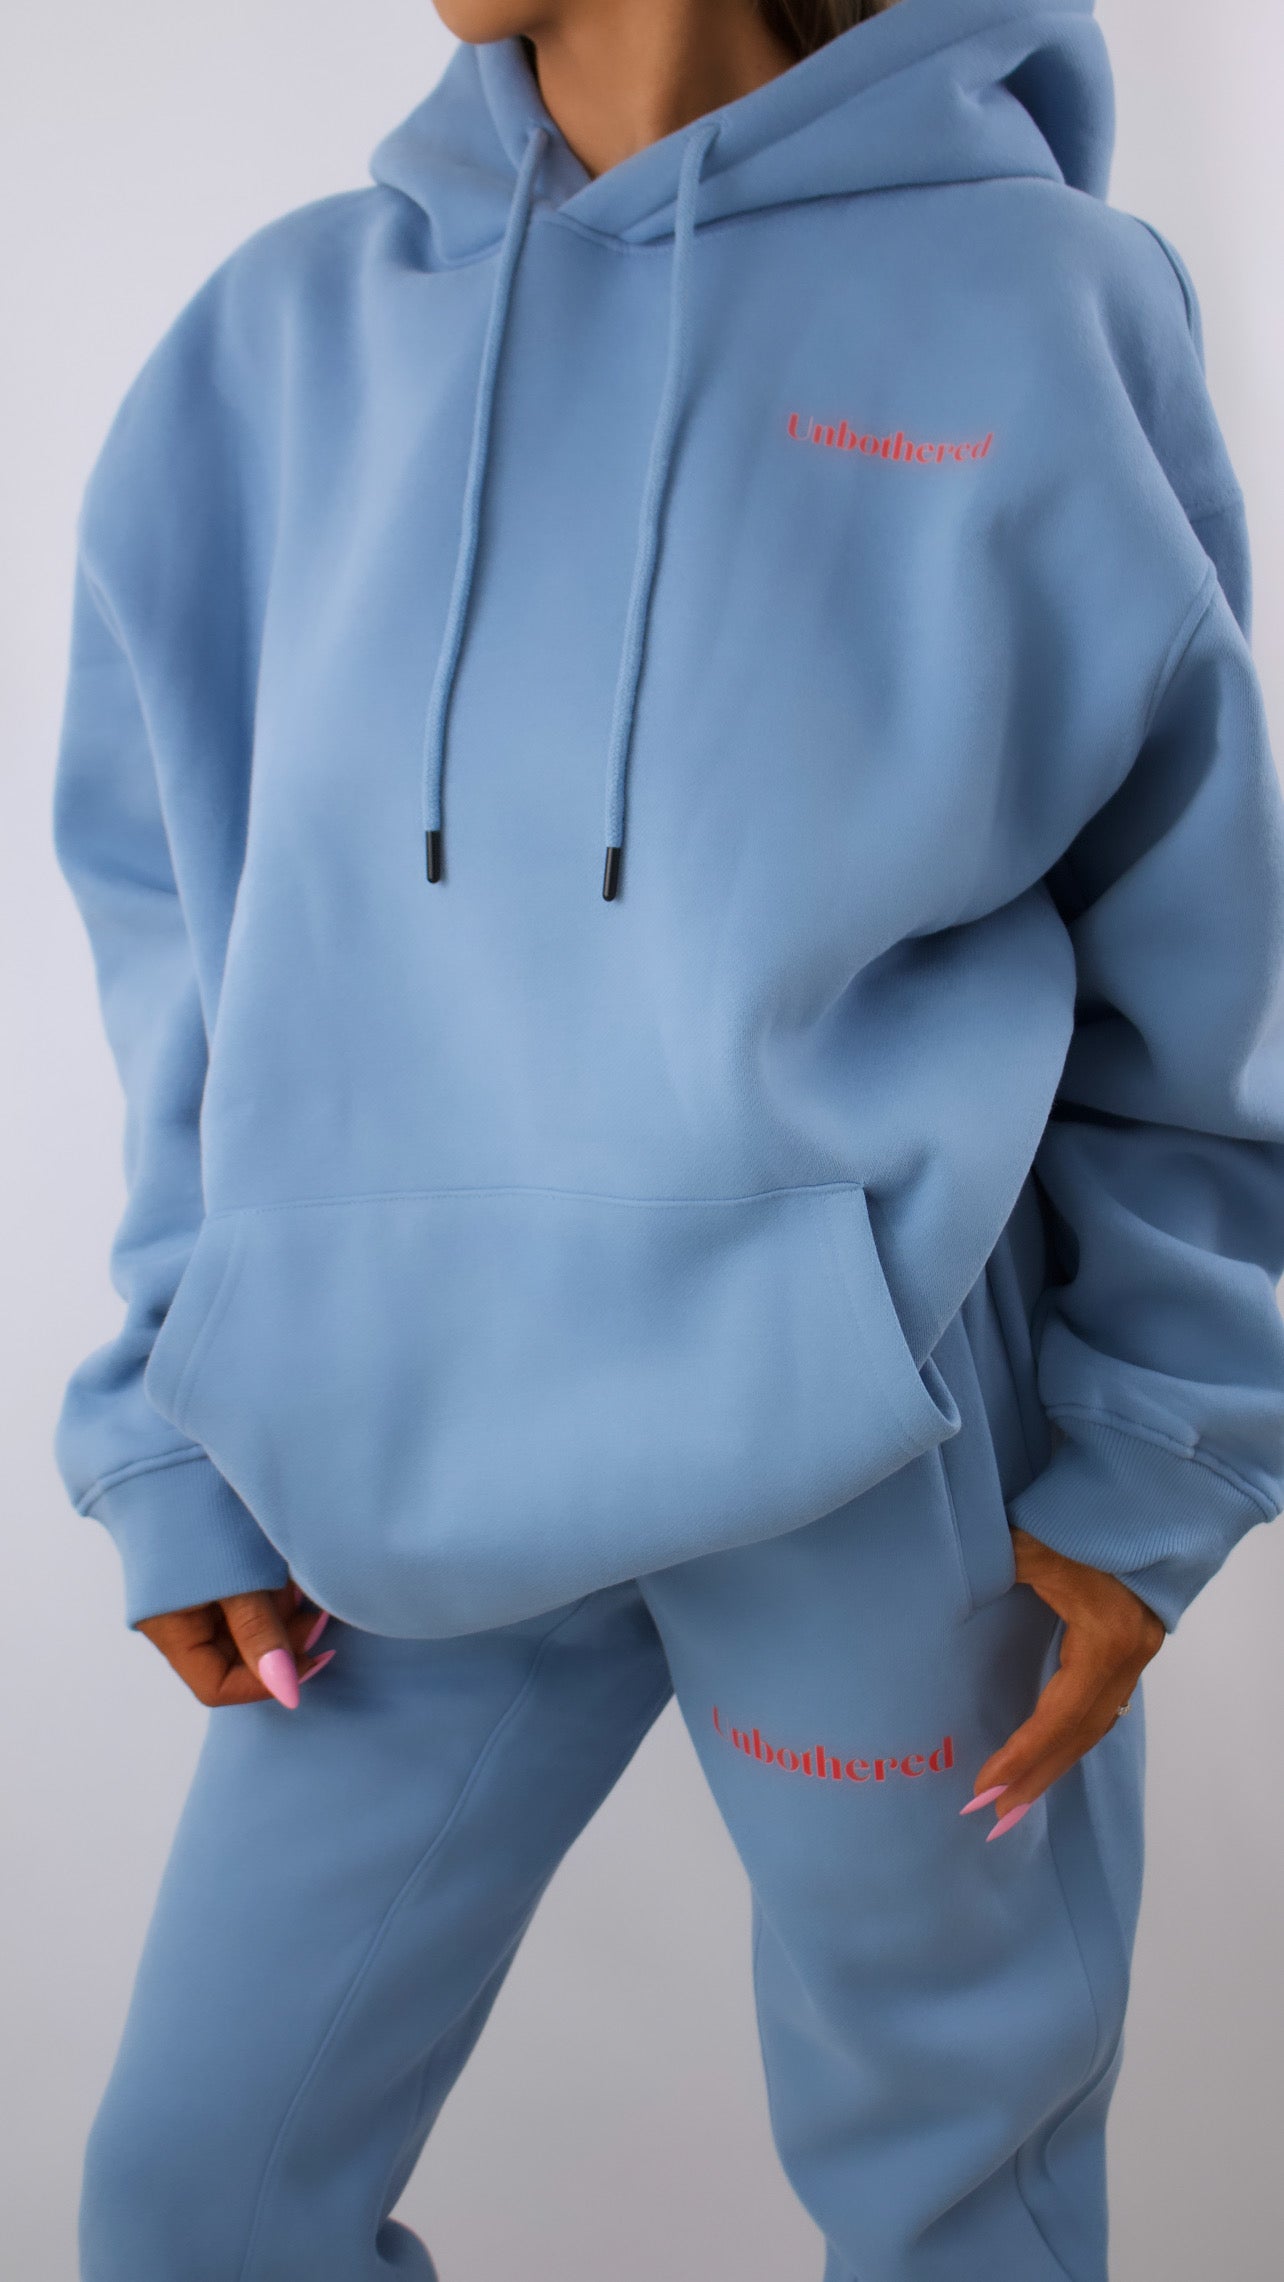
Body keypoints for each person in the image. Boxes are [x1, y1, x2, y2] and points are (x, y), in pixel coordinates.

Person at [52, 0, 1284, 2274]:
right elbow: (179, 932)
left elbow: (1194, 935)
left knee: (959, 2210)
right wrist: (172, 1416)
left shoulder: (1036, 302)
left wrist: (1163, 1450)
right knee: (193, 2203)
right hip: (385, 1438)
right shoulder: (278, 342)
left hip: (876, 1437)